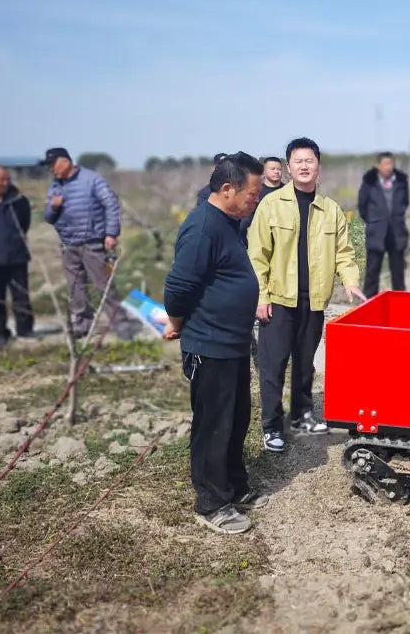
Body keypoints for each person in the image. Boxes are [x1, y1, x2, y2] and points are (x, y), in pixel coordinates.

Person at [163, 152, 268, 535]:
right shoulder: (203, 227)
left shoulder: (228, 222)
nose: (255, 200)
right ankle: (211, 503)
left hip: (233, 342)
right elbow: (179, 285)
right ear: (227, 189)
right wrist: (175, 323)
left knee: (236, 419)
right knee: (213, 425)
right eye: (252, 194)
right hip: (210, 346)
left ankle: (234, 487)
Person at [249, 137, 365, 453]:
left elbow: (344, 251)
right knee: (273, 367)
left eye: (309, 161)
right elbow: (257, 254)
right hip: (277, 300)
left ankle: (302, 415)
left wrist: (351, 281)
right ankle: (272, 427)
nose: (304, 166)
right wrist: (261, 296)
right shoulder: (270, 205)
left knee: (305, 363)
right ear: (288, 167)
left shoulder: (331, 210)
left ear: (318, 167)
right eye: (298, 161)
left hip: (313, 300)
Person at [42, 147, 138, 340]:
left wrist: (111, 233)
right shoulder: (55, 186)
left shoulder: (92, 180)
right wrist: (53, 208)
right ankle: (83, 323)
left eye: (53, 165)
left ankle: (120, 322)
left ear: (65, 161)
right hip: (68, 244)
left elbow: (111, 204)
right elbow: (48, 217)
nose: (51, 170)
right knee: (75, 287)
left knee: (103, 285)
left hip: (92, 243)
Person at [0, 167, 33, 348]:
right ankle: (0, 332)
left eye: (7, 179)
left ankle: (25, 329)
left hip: (16, 255)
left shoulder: (18, 200)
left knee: (21, 295)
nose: (5, 183)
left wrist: (16, 240)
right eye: (1, 180)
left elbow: (24, 223)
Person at [358, 152, 409, 298]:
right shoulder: (369, 182)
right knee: (372, 273)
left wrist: (396, 217)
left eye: (391, 163)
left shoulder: (401, 181)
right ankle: (368, 304)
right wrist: (374, 220)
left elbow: (405, 202)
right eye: (386, 164)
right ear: (379, 166)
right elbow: (362, 205)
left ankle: (400, 306)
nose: (389, 167)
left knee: (398, 275)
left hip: (396, 232)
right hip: (377, 232)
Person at [239, 156, 286, 246]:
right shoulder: (257, 191)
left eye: (279, 169)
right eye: (273, 169)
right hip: (261, 237)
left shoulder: (287, 191)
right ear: (264, 171)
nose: (276, 172)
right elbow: (246, 220)